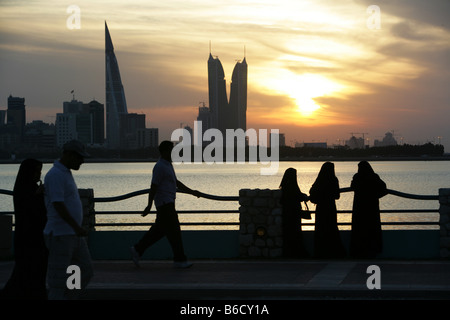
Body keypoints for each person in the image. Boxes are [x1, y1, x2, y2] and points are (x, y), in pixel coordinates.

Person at [130, 140, 201, 268]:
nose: (172, 152)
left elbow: (176, 182)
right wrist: (149, 205)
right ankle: (179, 260)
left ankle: (137, 249)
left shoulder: (168, 165)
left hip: (169, 203)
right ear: (164, 152)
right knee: (175, 232)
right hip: (164, 204)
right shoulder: (159, 167)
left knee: (159, 231)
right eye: (170, 150)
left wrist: (192, 192)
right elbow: (153, 186)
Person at [43, 140, 93, 299]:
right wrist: (76, 227)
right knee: (58, 280)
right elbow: (58, 204)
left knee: (84, 270)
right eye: (80, 158)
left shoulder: (64, 173)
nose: (82, 161)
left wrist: (76, 230)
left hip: (72, 235)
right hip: (60, 235)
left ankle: (69, 297)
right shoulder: (56, 174)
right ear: (69, 155)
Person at [1, 159, 48, 300]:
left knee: (28, 273)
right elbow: (31, 209)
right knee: (27, 272)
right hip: (30, 238)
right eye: (37, 171)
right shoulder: (26, 189)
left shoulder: (25, 187)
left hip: (30, 237)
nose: (39, 174)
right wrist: (39, 195)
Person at [350, 161, 388, 258]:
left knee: (359, 229)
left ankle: (359, 251)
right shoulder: (374, 177)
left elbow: (352, 187)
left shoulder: (357, 177)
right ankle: (372, 250)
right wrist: (375, 196)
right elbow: (383, 189)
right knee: (372, 229)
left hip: (359, 208)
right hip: (372, 208)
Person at [309, 162, 346, 259]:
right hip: (330, 207)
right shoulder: (333, 179)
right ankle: (333, 252)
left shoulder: (319, 180)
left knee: (321, 229)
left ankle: (320, 252)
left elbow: (313, 193)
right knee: (331, 228)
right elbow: (337, 196)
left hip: (321, 208)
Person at [279, 167, 309, 258]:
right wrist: (303, 196)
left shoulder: (284, 186)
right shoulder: (293, 185)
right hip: (294, 213)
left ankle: (288, 252)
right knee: (295, 233)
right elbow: (298, 196)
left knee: (288, 233)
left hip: (286, 213)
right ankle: (296, 252)